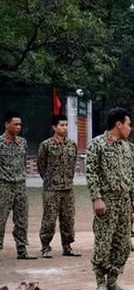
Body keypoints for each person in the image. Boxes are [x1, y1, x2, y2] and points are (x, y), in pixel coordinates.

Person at [86, 108, 134, 290]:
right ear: (118, 124)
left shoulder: (127, 147)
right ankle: (100, 281)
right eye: (128, 124)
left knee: (123, 243)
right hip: (106, 200)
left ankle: (113, 280)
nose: (130, 128)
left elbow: (130, 174)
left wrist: (133, 198)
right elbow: (91, 173)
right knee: (104, 242)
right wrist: (97, 198)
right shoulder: (97, 144)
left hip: (124, 200)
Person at [37, 114, 80, 258]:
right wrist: (50, 179)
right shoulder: (46, 145)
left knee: (68, 219)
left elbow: (73, 164)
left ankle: (67, 246)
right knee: (49, 219)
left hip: (68, 188)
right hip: (51, 189)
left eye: (66, 125)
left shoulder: (72, 145)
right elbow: (41, 165)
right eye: (61, 125)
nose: (65, 128)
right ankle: (45, 246)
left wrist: (66, 179)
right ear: (54, 127)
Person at [0, 111, 35, 259]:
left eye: (20, 124)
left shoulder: (22, 142)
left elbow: (23, 162)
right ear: (7, 124)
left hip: (20, 185)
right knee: (1, 219)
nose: (18, 127)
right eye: (15, 124)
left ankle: (22, 250)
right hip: (4, 186)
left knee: (21, 219)